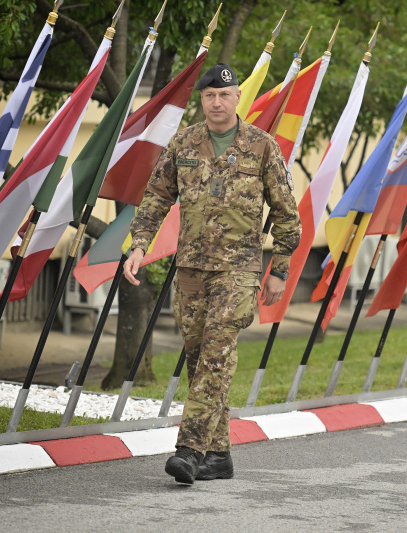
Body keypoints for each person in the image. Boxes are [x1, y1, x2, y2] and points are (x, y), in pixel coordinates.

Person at [124, 63, 301, 484]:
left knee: (216, 353)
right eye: (209, 96)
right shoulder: (184, 142)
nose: (217, 102)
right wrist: (138, 245)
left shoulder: (261, 146)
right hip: (190, 269)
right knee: (199, 359)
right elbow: (155, 196)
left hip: (238, 271)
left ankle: (189, 450)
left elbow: (285, 212)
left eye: (224, 95)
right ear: (202, 99)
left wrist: (279, 268)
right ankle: (218, 455)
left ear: (237, 96)